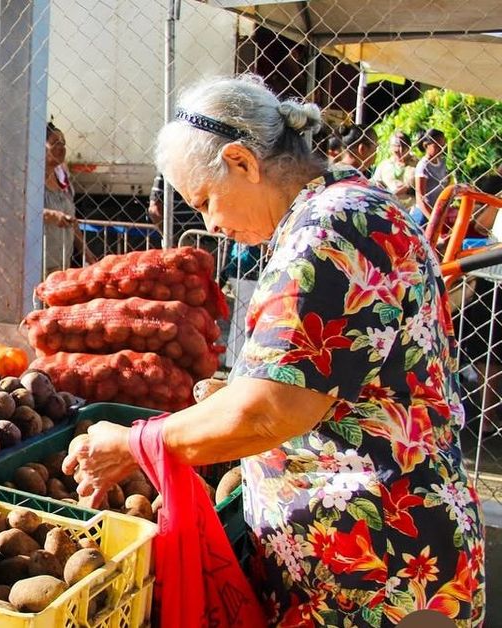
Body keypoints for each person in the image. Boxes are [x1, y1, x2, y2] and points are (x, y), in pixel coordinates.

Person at [64, 75, 484, 625]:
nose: (210, 224)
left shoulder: (329, 231)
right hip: (372, 562)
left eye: (206, 201)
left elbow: (270, 412)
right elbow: (331, 379)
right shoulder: (349, 207)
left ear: (242, 162)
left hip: (382, 574)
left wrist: (133, 443)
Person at [42, 121, 92, 273]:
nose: (61, 147)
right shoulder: (31, 181)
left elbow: (72, 223)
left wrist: (86, 252)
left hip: (62, 264)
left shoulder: (63, 180)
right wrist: (50, 215)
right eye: (55, 143)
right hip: (38, 264)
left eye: (63, 143)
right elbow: (21, 210)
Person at [371, 131, 417, 208]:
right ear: (390, 147)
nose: (400, 149)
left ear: (409, 147)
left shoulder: (417, 164)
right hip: (390, 207)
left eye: (403, 146)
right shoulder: (384, 165)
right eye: (396, 146)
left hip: (413, 208)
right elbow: (376, 183)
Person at [414, 128, 450, 224]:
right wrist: (433, 221)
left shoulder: (442, 162)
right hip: (424, 214)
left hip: (438, 211)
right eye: (437, 146)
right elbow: (420, 199)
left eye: (443, 146)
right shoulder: (423, 166)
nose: (441, 149)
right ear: (426, 145)